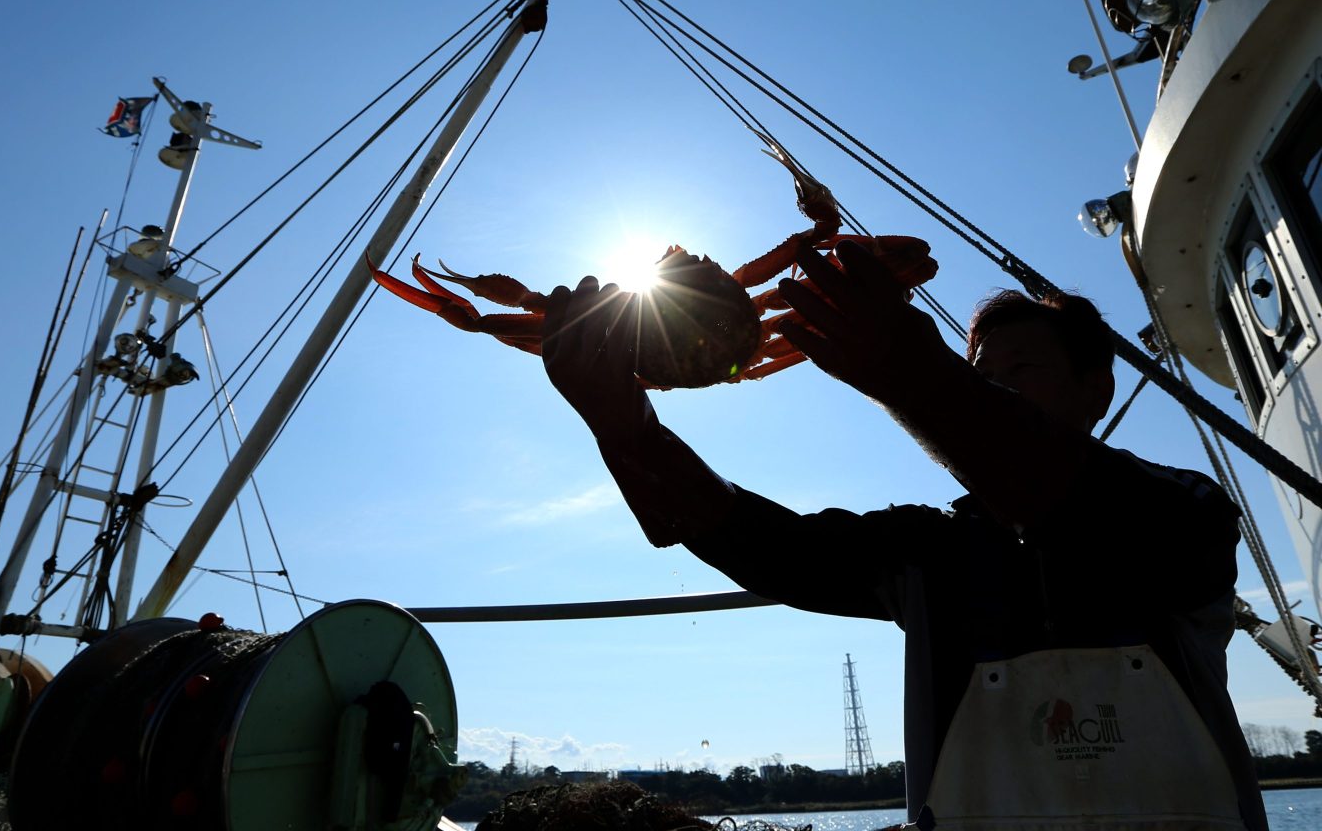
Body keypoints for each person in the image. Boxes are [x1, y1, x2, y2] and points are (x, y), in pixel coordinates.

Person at [540, 240, 1266, 831]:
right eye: (980, 374)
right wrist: (628, 429)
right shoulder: (929, 550)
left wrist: (914, 373)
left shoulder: (1186, 508)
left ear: (1096, 391)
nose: (992, 389)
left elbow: (1069, 499)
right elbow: (765, 548)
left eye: (1019, 371)